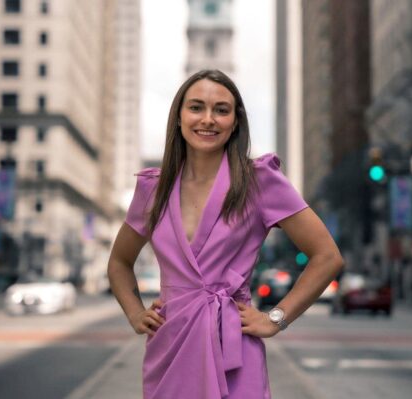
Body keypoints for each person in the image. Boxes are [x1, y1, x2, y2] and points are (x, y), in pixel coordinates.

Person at [107, 70, 345, 399]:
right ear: (178, 117)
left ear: (235, 122)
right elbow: (119, 261)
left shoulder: (260, 181)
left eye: (221, 109)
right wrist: (135, 313)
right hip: (170, 345)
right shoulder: (153, 188)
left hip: (234, 347)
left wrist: (275, 319)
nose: (208, 119)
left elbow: (327, 256)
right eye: (196, 108)